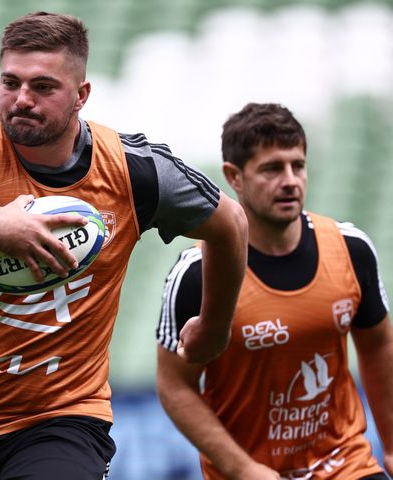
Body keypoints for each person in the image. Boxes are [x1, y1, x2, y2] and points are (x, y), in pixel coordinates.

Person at [0, 11, 248, 480]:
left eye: (43, 87)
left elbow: (230, 223)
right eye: (10, 83)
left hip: (65, 416)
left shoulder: (135, 170)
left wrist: (215, 326)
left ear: (81, 95)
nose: (21, 100)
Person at [156, 102, 393, 479]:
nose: (290, 180)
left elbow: (379, 344)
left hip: (346, 464)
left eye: (297, 165)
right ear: (234, 176)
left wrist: (392, 445)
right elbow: (174, 386)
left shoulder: (351, 249)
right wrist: (243, 468)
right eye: (271, 168)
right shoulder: (197, 273)